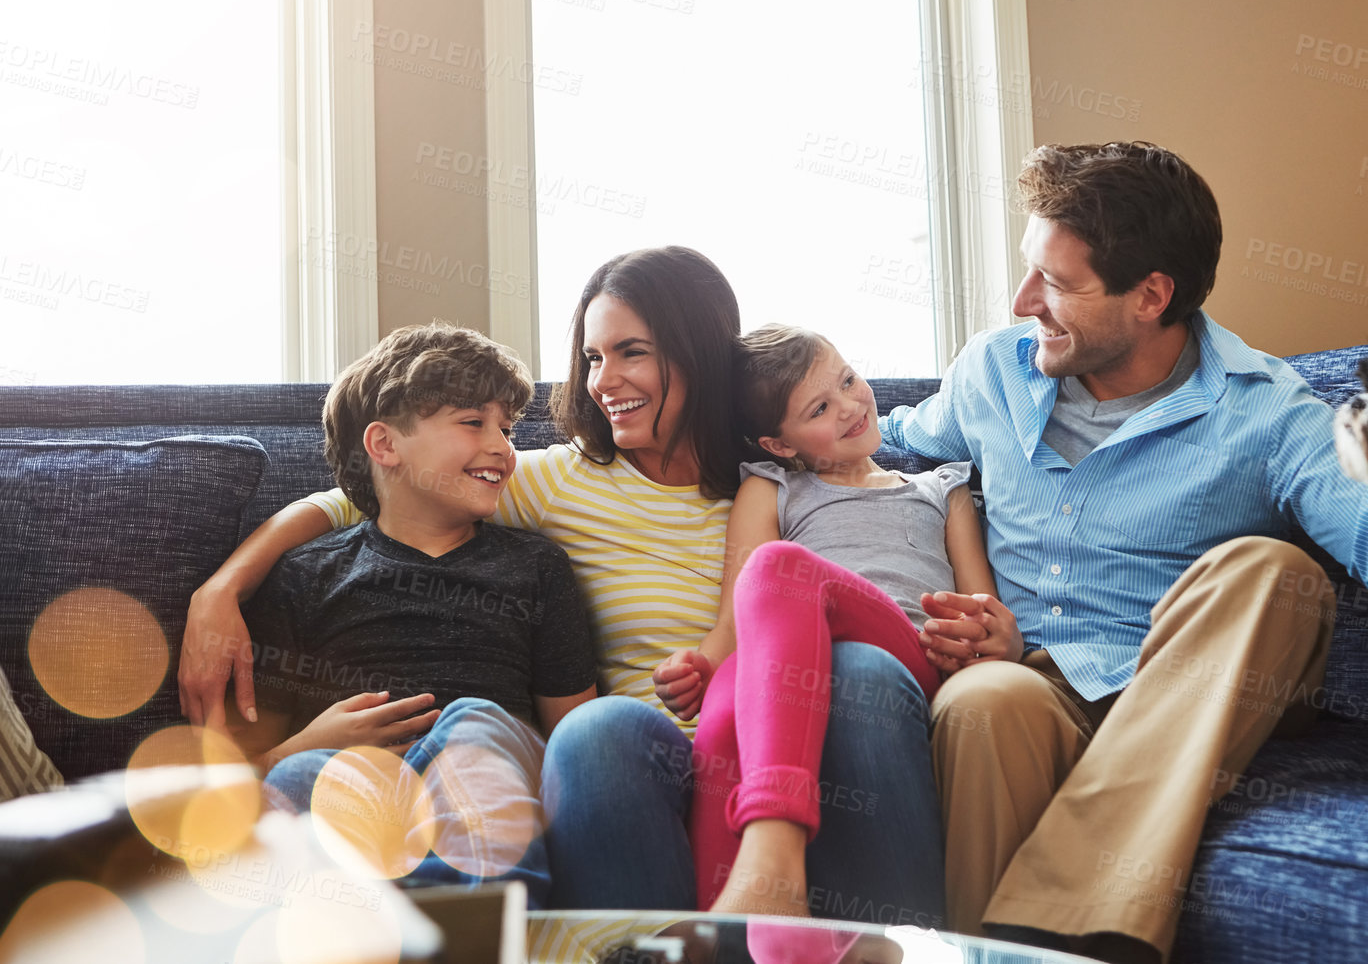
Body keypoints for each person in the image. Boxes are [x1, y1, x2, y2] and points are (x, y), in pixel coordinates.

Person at [881, 142, 1368, 963]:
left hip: (1198, 682)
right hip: (1042, 681)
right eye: (1028, 270)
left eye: (1057, 282)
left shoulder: (1270, 416)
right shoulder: (989, 373)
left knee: (1273, 572)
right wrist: (750, 417)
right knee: (983, 702)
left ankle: (1048, 937)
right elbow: (893, 431)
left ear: (1151, 295)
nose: (1022, 303)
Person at [179, 247, 945, 923]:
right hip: (629, 765)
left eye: (631, 353)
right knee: (594, 728)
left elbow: (883, 548)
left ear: (699, 352)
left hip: (775, 742)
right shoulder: (552, 482)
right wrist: (219, 590)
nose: (604, 381)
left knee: (861, 673)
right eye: (591, 358)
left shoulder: (783, 477)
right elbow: (369, 500)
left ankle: (886, 937)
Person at [651, 326, 1019, 915]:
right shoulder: (771, 489)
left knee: (779, 568)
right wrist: (701, 666)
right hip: (798, 673)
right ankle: (729, 934)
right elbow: (733, 621)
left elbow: (983, 605)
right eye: (820, 408)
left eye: (847, 379)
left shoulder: (938, 488)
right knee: (725, 703)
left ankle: (775, 846)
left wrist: (999, 638)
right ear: (779, 444)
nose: (851, 405)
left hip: (908, 655)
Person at [227, 322, 597, 904]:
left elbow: (574, 742)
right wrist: (301, 747)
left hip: (490, 788)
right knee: (304, 775)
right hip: (361, 794)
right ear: (385, 445)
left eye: (507, 427)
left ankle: (481, 927)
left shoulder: (537, 567)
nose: (502, 446)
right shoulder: (305, 575)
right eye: (473, 422)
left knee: (473, 724)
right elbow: (239, 770)